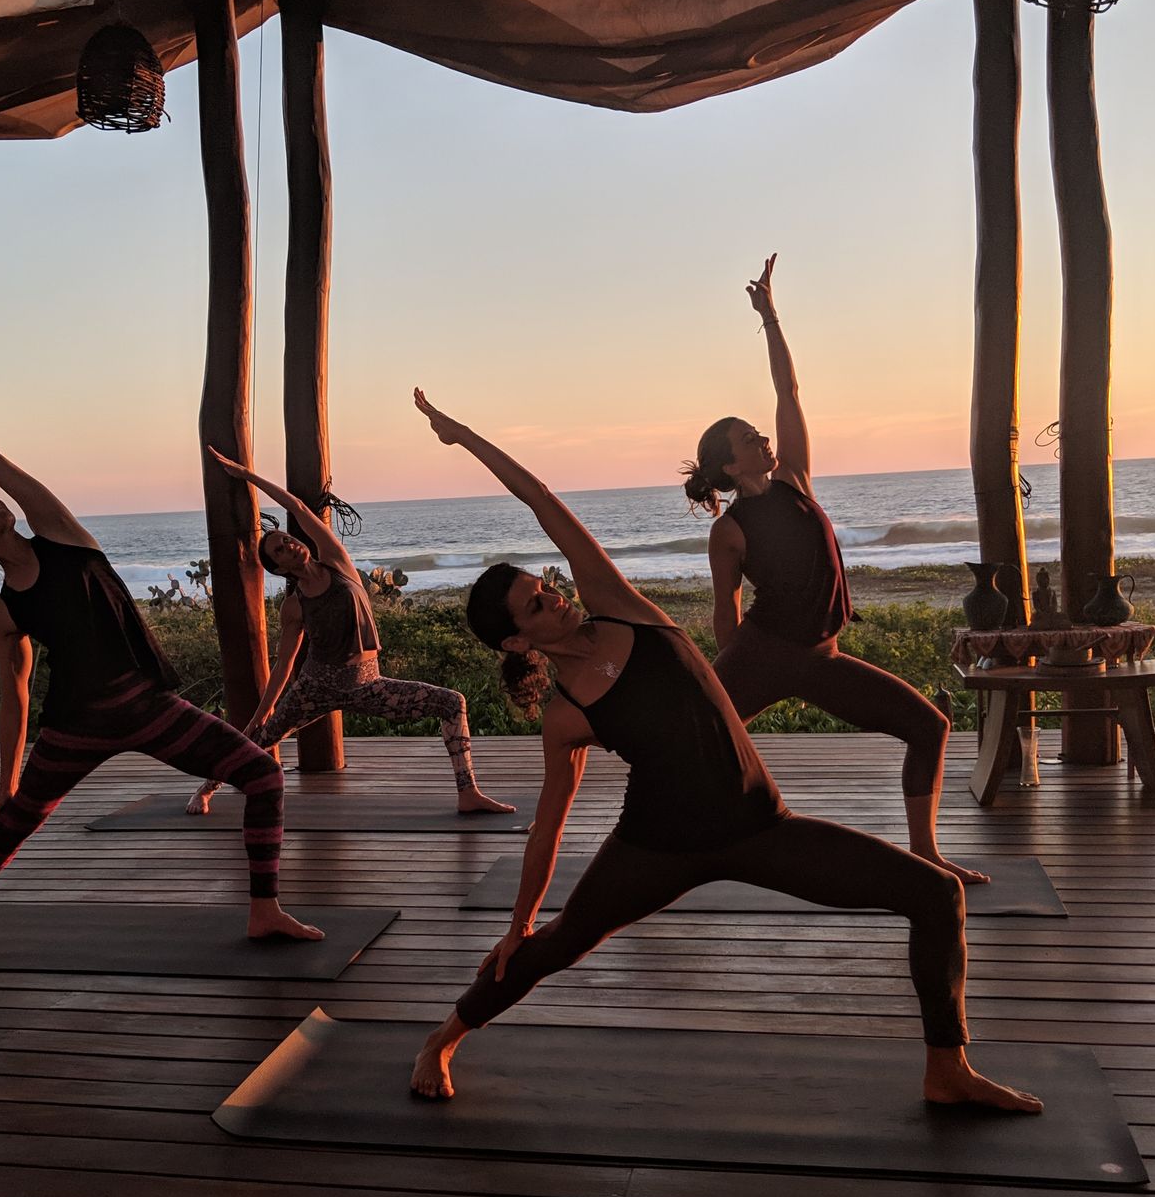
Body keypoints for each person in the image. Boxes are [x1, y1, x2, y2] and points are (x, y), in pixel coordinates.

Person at [407, 388, 1040, 1115]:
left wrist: (465, 438)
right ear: (518, 641)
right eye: (535, 604)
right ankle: (444, 1036)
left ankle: (946, 1069)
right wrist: (519, 921)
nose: (554, 597)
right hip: (656, 846)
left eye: (545, 584)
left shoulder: (619, 604)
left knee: (935, 893)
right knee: (551, 945)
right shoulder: (566, 712)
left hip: (759, 826)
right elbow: (549, 823)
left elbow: (539, 498)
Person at [0, 371, 322, 951]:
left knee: (263, 776)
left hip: (146, 704)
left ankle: (264, 910)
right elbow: (14, 697)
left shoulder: (60, 533)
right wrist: (7, 782)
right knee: (17, 819)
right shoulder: (6, 612)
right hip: (76, 724)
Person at [687, 253, 983, 884]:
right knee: (694, 747)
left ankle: (923, 852)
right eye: (748, 439)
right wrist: (736, 677)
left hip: (821, 657)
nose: (762, 439)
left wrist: (770, 318)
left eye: (758, 434)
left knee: (927, 725)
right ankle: (658, 844)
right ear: (731, 467)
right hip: (763, 653)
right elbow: (725, 613)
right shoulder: (729, 530)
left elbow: (787, 392)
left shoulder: (795, 477)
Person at [188, 448, 515, 817]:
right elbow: (284, 663)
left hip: (369, 684)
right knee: (258, 736)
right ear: (279, 568)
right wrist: (263, 712)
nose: (289, 544)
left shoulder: (336, 560)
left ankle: (468, 793)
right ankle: (205, 790)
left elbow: (296, 506)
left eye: (285, 538)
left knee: (451, 702)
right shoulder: (294, 606)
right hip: (316, 688)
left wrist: (247, 475)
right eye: (280, 549)